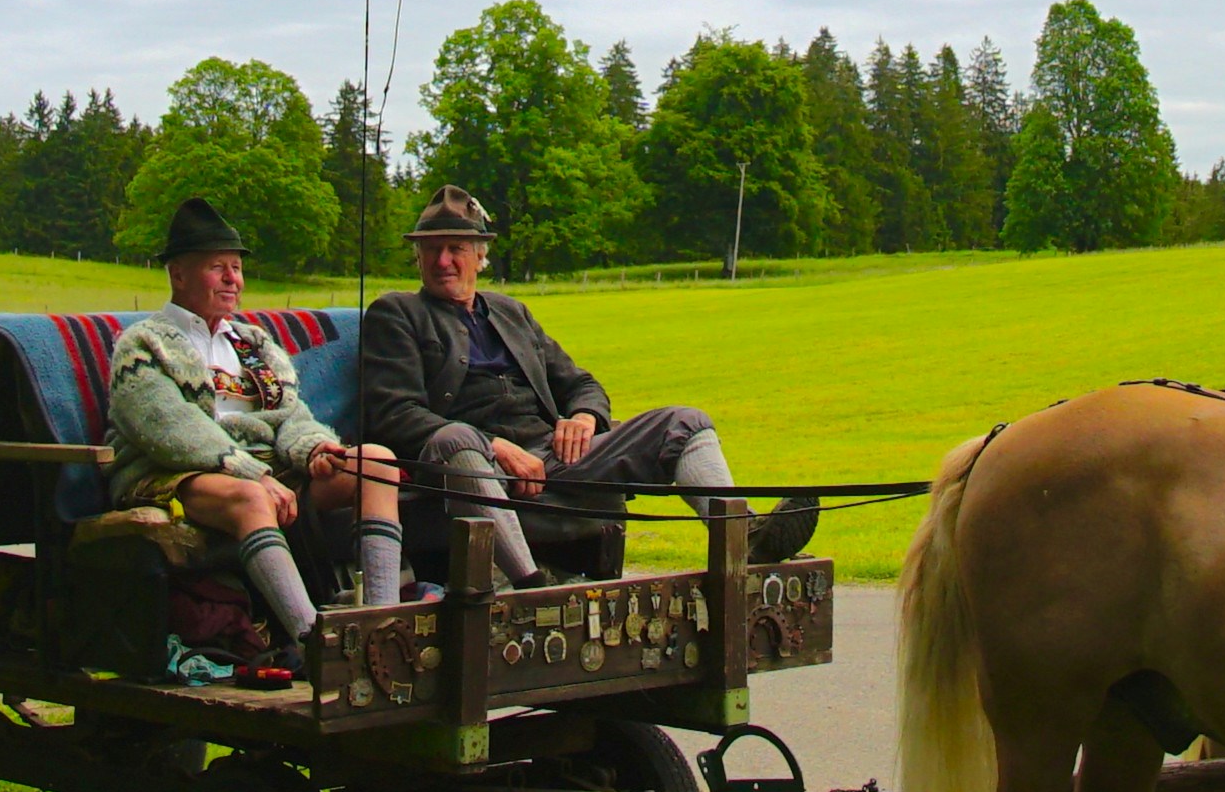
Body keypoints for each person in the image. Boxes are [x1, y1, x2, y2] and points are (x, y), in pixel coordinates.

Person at [348, 189, 764, 582]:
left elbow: (580, 383)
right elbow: (392, 413)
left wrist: (584, 417)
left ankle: (748, 538)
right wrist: (494, 446)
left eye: (455, 249)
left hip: (553, 459)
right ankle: (530, 582)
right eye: (431, 250)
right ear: (417, 258)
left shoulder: (512, 313)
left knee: (684, 422)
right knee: (457, 439)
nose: (443, 261)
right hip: (469, 465)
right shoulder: (396, 313)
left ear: (479, 256)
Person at [105, 197, 419, 668]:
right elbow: (170, 429)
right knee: (253, 499)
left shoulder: (251, 342)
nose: (235, 280)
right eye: (219, 268)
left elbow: (289, 412)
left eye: (237, 267)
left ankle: (379, 622)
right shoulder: (144, 344)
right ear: (178, 274)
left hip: (266, 470)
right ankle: (316, 644)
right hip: (170, 475)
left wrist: (313, 447)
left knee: (375, 462)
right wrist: (251, 472)